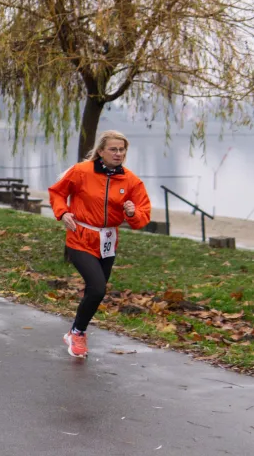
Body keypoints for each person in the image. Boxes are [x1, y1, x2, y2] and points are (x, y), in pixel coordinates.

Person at [49, 130, 151, 358]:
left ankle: (75, 330)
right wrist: (62, 212)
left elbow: (143, 216)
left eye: (122, 150)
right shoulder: (81, 171)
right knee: (97, 288)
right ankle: (78, 333)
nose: (118, 154)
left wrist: (132, 213)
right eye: (113, 149)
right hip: (80, 236)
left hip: (108, 241)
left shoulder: (130, 180)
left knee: (96, 292)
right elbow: (57, 192)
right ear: (101, 151)